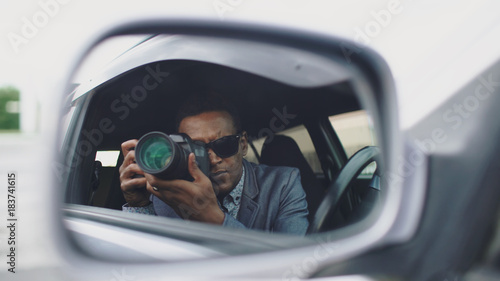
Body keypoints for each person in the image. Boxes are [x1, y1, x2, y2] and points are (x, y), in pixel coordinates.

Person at [119, 95, 309, 235]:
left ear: (243, 144)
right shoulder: (165, 193)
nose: (212, 159)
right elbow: (149, 259)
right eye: (196, 148)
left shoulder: (282, 184)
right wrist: (139, 205)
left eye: (224, 144)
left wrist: (214, 219)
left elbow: (293, 263)